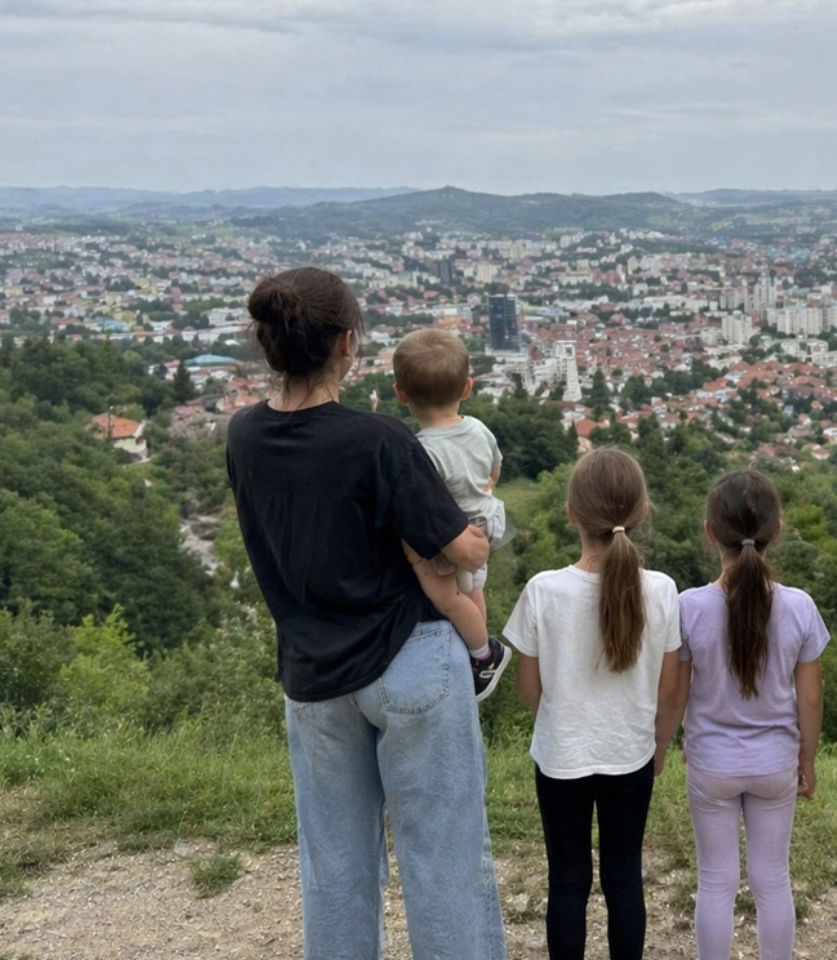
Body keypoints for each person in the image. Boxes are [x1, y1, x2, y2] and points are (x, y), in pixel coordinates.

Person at [225, 267, 506, 959]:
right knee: (443, 859)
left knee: (335, 867)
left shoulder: (244, 436)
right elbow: (454, 543)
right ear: (347, 344)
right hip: (412, 658)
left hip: (313, 672)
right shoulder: (379, 440)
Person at [504, 447, 685, 960]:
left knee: (567, 880)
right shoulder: (662, 590)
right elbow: (670, 687)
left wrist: (553, 724)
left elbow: (527, 686)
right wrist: (659, 743)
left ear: (571, 513)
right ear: (642, 511)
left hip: (561, 756)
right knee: (624, 877)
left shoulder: (543, 590)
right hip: (631, 754)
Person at [674, 469, 828, 960]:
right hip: (775, 762)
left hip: (711, 764)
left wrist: (675, 740)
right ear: (776, 530)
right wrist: (807, 756)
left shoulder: (689, 607)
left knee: (716, 881)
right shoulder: (800, 607)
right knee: (772, 879)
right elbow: (811, 698)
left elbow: (676, 692)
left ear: (709, 532)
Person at [392, 327, 512, 698]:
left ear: (400, 394)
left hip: (455, 535)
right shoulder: (478, 428)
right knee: (473, 590)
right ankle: (480, 642)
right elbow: (494, 471)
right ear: (467, 388)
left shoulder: (421, 450)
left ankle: (485, 655)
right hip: (488, 522)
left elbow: (426, 505)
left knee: (447, 597)